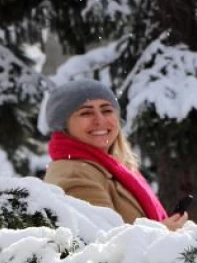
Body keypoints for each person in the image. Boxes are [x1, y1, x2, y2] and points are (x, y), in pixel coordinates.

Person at [43, 78, 188, 231]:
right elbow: (101, 243)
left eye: (107, 110)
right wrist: (163, 231)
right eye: (86, 113)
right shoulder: (75, 174)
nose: (100, 120)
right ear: (64, 126)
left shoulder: (114, 168)